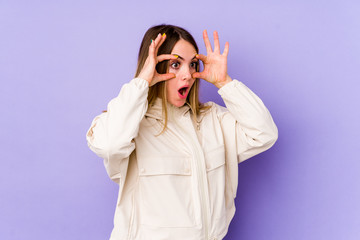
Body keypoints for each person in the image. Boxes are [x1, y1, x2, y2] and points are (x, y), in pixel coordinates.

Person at [86, 24, 278, 240]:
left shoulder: (212, 119)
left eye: (192, 64)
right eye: (175, 64)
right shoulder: (129, 124)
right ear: (154, 67)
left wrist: (225, 83)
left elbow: (264, 134)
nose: (187, 74)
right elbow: (110, 144)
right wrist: (141, 83)